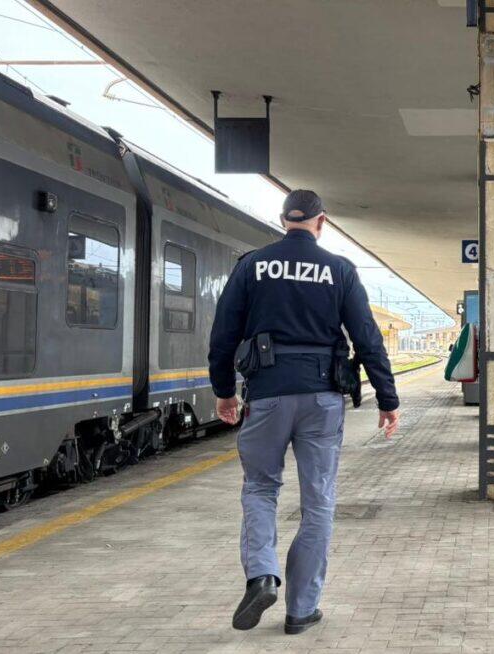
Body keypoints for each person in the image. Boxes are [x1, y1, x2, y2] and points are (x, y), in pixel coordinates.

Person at [208, 189, 400, 634]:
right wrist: (387, 401)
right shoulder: (340, 270)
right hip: (322, 398)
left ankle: (261, 575)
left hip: (268, 394)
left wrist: (224, 393)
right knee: (318, 503)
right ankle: (301, 610)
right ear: (321, 222)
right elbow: (368, 339)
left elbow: (222, 336)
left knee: (260, 488)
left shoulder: (252, 265)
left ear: (283, 220)